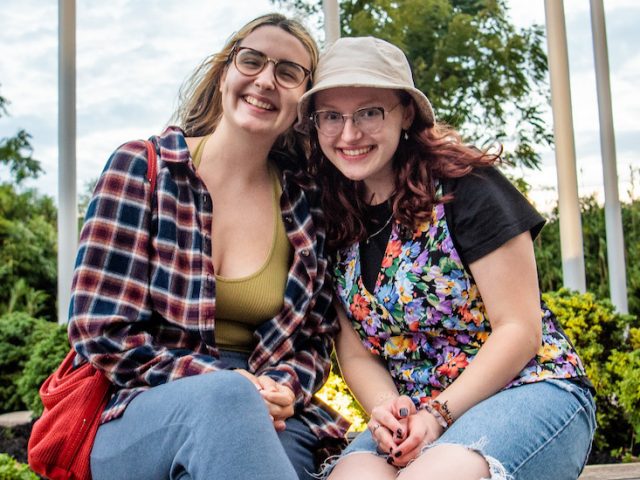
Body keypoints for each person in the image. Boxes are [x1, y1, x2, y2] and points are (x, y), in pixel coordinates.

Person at [295, 36, 596, 480]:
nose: (349, 133)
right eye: (331, 116)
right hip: (414, 413)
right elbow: (356, 355)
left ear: (406, 114)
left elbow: (520, 328)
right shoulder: (328, 212)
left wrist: (438, 414)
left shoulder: (465, 188)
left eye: (369, 112)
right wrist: (386, 410)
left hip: (528, 388)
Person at [67, 13, 348, 480]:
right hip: (139, 401)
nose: (265, 80)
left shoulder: (306, 203)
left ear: (303, 102)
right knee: (225, 403)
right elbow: (101, 329)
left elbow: (314, 340)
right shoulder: (143, 167)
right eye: (252, 61)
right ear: (224, 75)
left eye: (288, 72)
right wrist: (217, 382)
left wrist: (285, 387)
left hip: (267, 403)